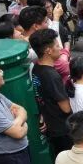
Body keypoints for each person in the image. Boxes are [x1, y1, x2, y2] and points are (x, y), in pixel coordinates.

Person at [29, 28, 74, 157]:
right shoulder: (52, 75)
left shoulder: (36, 68)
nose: (60, 48)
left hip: (50, 124)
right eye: (57, 45)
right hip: (62, 129)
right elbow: (66, 108)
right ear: (48, 50)